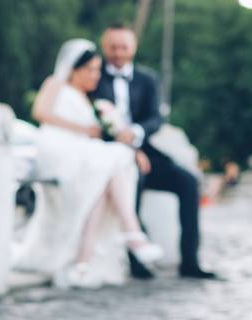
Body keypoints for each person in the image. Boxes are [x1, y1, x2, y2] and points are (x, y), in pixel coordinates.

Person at [15, 38, 162, 288]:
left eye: (97, 69)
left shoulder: (90, 98)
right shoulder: (56, 84)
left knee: (107, 174)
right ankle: (133, 233)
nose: (95, 75)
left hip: (81, 151)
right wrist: (82, 129)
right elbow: (40, 113)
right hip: (57, 147)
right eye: (90, 69)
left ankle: (85, 260)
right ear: (74, 69)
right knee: (114, 158)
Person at [93, 24, 217, 279]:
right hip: (111, 155)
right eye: (113, 47)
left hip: (146, 152)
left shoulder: (147, 79)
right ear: (105, 47)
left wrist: (136, 134)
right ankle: (138, 261)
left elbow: (155, 119)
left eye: (123, 47)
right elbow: (91, 120)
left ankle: (190, 261)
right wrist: (122, 143)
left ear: (133, 47)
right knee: (132, 184)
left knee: (188, 182)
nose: (118, 52)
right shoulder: (94, 77)